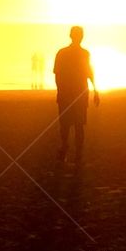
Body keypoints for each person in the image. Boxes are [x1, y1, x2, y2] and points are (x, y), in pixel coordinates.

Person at [53, 26, 99, 163]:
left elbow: (58, 74)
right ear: (80, 36)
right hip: (78, 92)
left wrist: (95, 89)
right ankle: (76, 150)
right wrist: (95, 89)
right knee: (78, 124)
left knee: (67, 124)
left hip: (71, 92)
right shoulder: (83, 53)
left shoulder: (63, 52)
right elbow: (89, 72)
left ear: (71, 36)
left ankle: (67, 146)